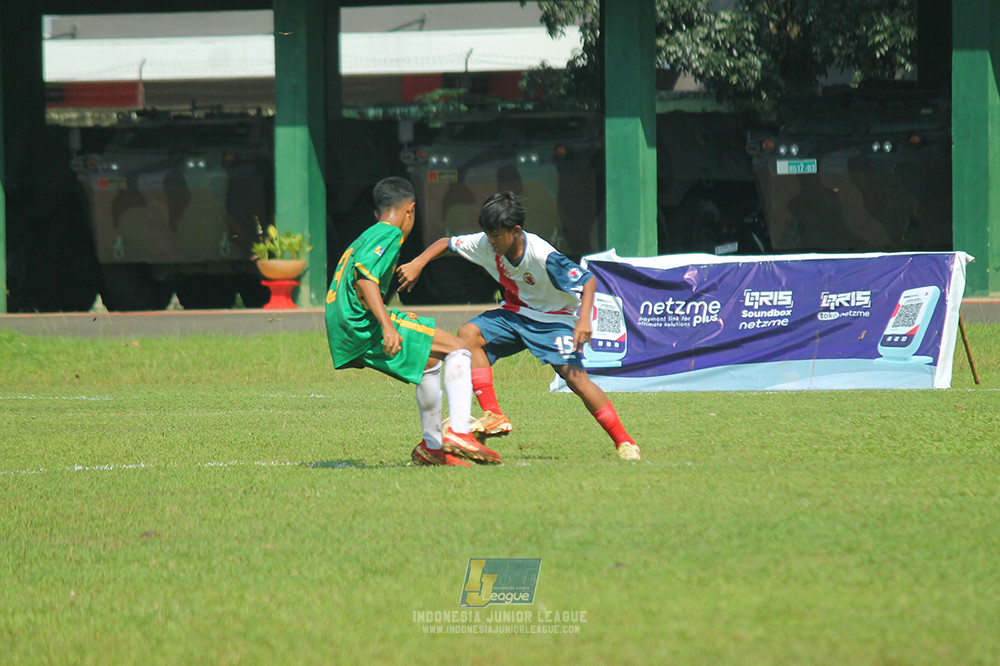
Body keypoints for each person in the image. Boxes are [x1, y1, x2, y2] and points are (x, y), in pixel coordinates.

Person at [396, 191, 640, 461]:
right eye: (487, 234)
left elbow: (588, 280)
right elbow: (447, 243)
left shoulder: (542, 255)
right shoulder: (487, 243)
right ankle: (494, 414)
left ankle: (625, 442)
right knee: (469, 334)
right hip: (516, 313)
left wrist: (583, 320)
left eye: (496, 235)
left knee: (576, 380)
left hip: (554, 318)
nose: (490, 241)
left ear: (516, 231)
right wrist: (418, 263)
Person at [325, 177, 501, 466]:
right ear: (411, 210)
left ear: (376, 212)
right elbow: (365, 279)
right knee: (459, 349)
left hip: (345, 323)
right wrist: (387, 325)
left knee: (429, 360)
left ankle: (432, 448)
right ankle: (458, 432)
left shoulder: (367, 234)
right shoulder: (389, 234)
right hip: (361, 320)